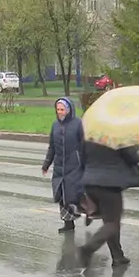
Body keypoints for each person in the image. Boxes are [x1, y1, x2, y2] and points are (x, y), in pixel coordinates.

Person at [77, 141, 139, 268]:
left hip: (90, 182)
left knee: (109, 221)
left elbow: (81, 157)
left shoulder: (90, 135)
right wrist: (135, 149)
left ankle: (118, 256)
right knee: (113, 223)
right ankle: (87, 249)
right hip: (109, 184)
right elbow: (132, 158)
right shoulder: (117, 135)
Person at [42, 97, 85, 233]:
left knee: (73, 194)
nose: (60, 112)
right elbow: (52, 147)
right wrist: (46, 164)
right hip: (60, 166)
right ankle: (68, 223)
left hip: (74, 165)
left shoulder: (78, 124)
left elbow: (85, 145)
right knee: (61, 194)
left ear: (69, 110)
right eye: (58, 109)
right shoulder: (55, 125)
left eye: (62, 109)